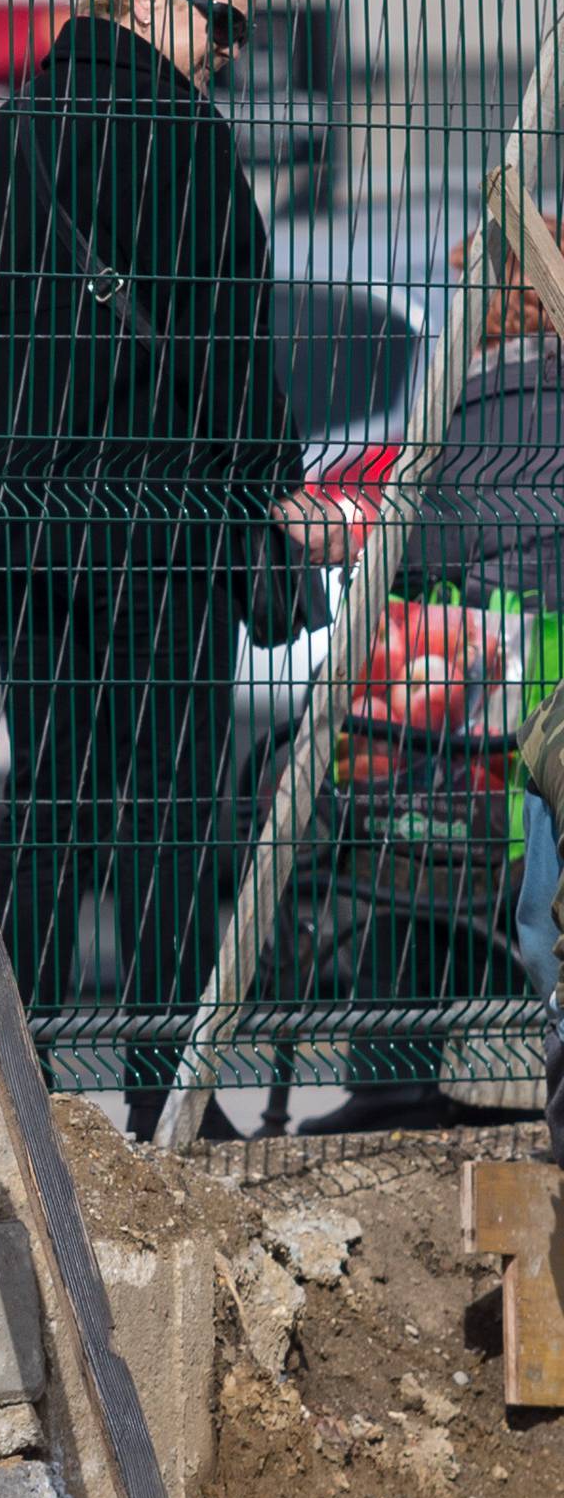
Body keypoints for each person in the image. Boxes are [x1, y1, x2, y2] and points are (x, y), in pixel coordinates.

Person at [0, 0, 351, 1142]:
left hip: (24, 531)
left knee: (51, 810)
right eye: (224, 22)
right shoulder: (183, 141)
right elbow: (232, 351)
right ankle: (170, 1109)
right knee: (169, 826)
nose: (230, 52)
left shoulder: (5, 139)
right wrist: (274, 490)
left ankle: (5, 1088)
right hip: (160, 536)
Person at [304, 209, 564, 1131]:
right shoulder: (507, 406)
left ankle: (387, 1075)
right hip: (515, 760)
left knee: (368, 838)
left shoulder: (466, 410)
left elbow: (410, 537)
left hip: (435, 763)